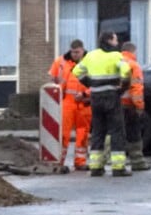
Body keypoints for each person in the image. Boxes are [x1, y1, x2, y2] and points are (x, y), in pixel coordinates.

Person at [72, 31, 132, 176]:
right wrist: (122, 88)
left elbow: (76, 71)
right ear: (109, 40)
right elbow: (126, 71)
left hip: (96, 97)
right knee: (117, 131)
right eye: (115, 39)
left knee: (98, 131)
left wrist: (90, 84)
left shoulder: (91, 55)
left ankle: (96, 167)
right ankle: (118, 168)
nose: (117, 42)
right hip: (111, 96)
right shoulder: (115, 55)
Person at [45, 41, 91, 171]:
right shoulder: (61, 62)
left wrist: (86, 94)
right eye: (73, 52)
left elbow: (94, 83)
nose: (75, 54)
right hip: (67, 102)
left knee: (83, 134)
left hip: (84, 102)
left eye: (77, 52)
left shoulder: (90, 62)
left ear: (83, 50)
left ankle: (80, 162)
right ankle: (59, 162)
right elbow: (53, 81)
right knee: (63, 134)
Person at [120, 41, 148, 171]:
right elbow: (136, 88)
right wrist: (139, 106)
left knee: (115, 132)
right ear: (133, 51)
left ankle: (110, 160)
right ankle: (137, 162)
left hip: (116, 104)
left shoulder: (117, 62)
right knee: (134, 133)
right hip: (129, 105)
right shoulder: (133, 65)